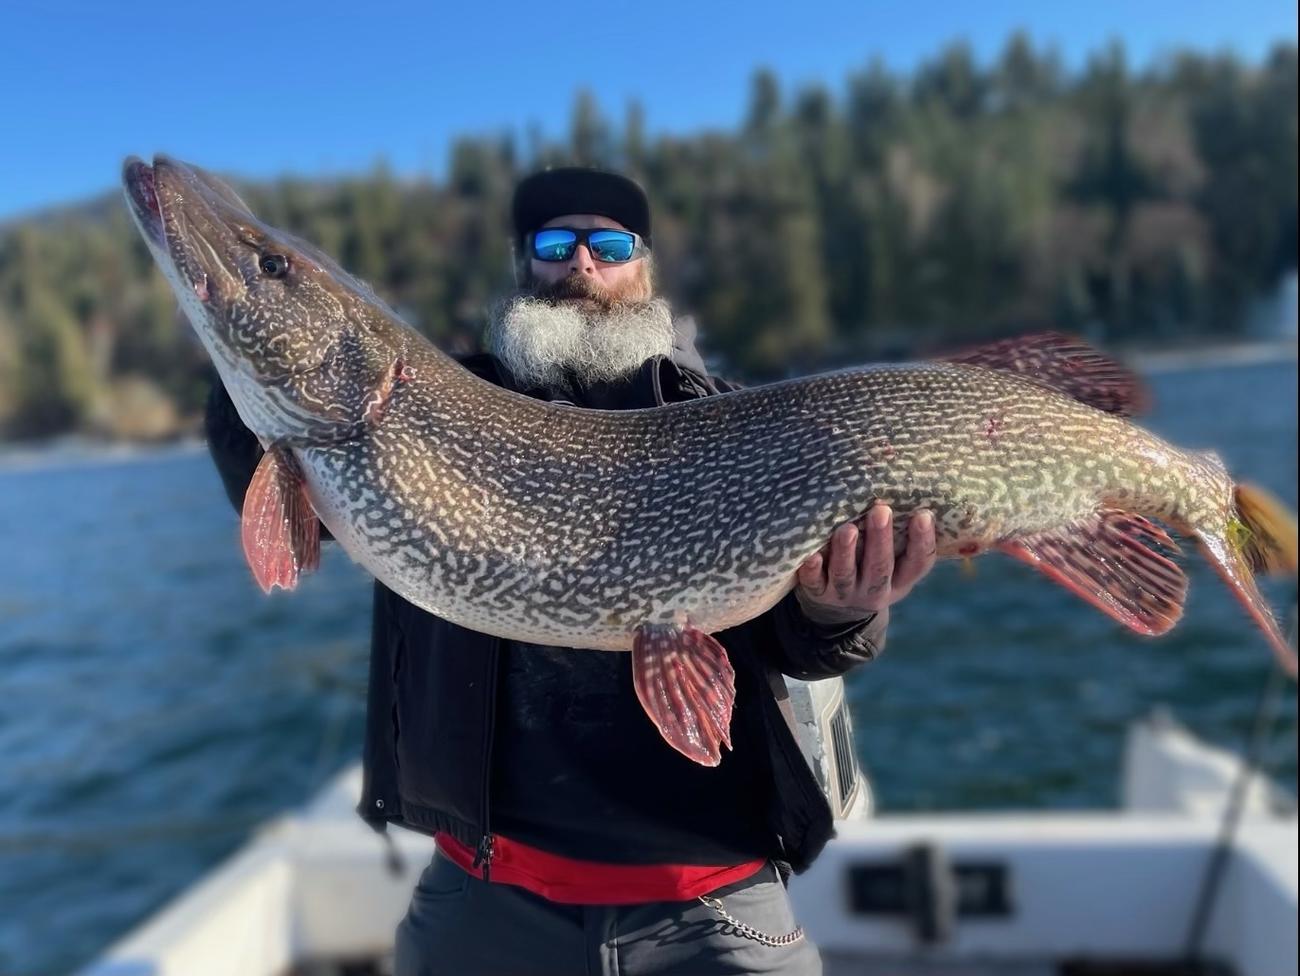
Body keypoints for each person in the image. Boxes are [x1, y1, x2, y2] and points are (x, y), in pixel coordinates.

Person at [204, 166, 937, 975]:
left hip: (715, 907)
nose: (582, 264)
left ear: (643, 266)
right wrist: (230, 327)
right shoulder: (437, 401)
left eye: (609, 243)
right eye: (556, 243)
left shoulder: (732, 414)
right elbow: (266, 474)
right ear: (526, 266)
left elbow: (804, 645)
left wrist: (846, 609)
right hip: (485, 903)